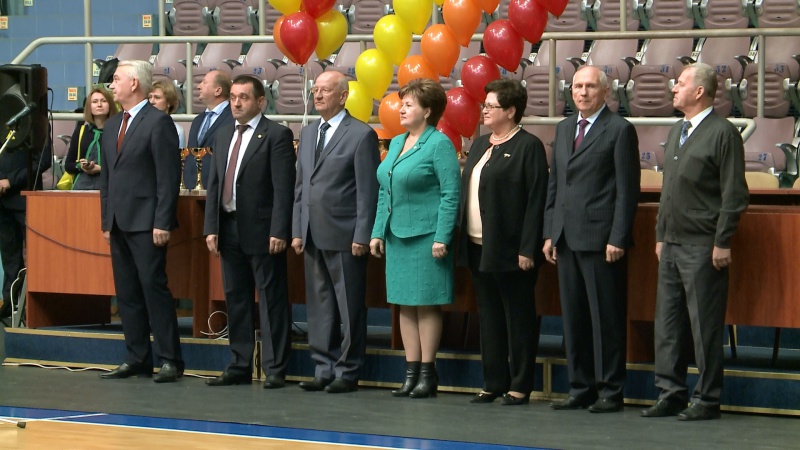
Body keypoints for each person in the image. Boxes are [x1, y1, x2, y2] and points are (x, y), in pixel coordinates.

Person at [641, 63, 749, 421]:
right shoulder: (678, 130)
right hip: (671, 243)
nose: (674, 88)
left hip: (703, 244)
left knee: (704, 325)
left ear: (699, 91)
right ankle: (670, 392)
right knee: (667, 322)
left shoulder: (723, 133)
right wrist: (660, 235)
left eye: (681, 83)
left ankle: (707, 397)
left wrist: (722, 241)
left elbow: (734, 193)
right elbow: (668, 190)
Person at [543, 65, 640, 413]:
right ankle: (580, 387)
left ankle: (610, 390)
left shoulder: (620, 130)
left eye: (590, 87)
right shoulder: (564, 127)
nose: (582, 92)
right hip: (566, 238)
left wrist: (618, 236)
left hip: (601, 240)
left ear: (606, 92)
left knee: (605, 319)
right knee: (574, 319)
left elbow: (627, 190)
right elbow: (556, 185)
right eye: (577, 86)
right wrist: (549, 233)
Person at [456, 79, 548, 405]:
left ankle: (520, 384)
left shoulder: (528, 146)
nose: (484, 111)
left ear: (510, 111)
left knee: (518, 318)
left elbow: (536, 200)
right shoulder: (481, 143)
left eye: (491, 106)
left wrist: (527, 247)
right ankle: (493, 381)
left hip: (511, 249)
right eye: (485, 105)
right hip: (477, 246)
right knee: (490, 316)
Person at [370, 78, 461, 399]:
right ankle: (410, 373)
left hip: (428, 237)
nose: (402, 109)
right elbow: (386, 190)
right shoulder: (396, 142)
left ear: (428, 111)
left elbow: (451, 194)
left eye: (409, 105)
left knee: (426, 304)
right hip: (397, 235)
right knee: (404, 305)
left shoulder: (439, 144)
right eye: (402, 103)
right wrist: (377, 231)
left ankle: (427, 373)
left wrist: (442, 236)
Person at [203, 75, 296, 389]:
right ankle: (239, 364)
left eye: (243, 97)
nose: (236, 103)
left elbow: (283, 188)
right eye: (232, 97)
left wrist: (280, 229)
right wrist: (211, 227)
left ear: (260, 102)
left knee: (271, 300)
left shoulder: (276, 135)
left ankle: (274, 367)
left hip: (263, 229)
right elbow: (215, 184)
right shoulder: (223, 134)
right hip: (228, 226)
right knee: (236, 298)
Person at [291, 71, 380, 394]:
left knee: (349, 306)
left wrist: (362, 234)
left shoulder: (361, 134)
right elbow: (301, 186)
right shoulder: (308, 132)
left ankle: (348, 369)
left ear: (343, 96)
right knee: (319, 306)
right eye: (315, 90)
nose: (318, 95)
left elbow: (367, 191)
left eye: (325, 91)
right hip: (312, 231)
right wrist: (297, 229)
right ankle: (323, 367)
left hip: (345, 233)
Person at [98, 59, 183, 383]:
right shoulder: (112, 125)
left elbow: (167, 177)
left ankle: (170, 359)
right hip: (119, 222)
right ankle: (137, 358)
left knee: (153, 288)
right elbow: (107, 178)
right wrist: (107, 221)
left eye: (117, 79)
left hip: (148, 222)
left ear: (134, 83)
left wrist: (163, 221)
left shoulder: (158, 122)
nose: (112, 85)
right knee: (126, 293)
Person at [0, 118, 52, 323]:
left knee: (36, 256)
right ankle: (10, 305)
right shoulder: (3, 119)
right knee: (9, 257)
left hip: (26, 197)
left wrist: (10, 181)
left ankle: (37, 307)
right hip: (2, 202)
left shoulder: (36, 121)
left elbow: (43, 161)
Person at [65, 88, 118, 190]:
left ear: (110, 105)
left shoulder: (118, 131)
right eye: (94, 102)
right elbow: (68, 165)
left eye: (104, 101)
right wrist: (81, 166)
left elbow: (123, 167)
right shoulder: (81, 131)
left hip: (109, 188)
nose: (99, 105)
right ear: (89, 107)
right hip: (81, 188)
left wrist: (101, 169)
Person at [188, 70, 233, 188]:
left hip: (218, 188)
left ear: (218, 90)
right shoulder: (197, 120)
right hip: (192, 189)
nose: (198, 86)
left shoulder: (233, 119)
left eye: (204, 82)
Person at [148, 80, 186, 148]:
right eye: (149, 97)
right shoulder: (139, 125)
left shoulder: (177, 131)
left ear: (169, 102)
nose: (151, 101)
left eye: (157, 97)